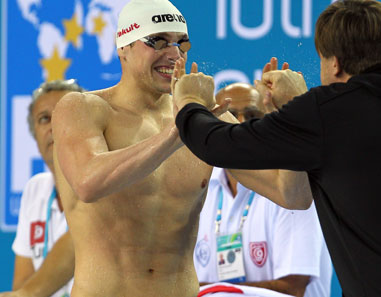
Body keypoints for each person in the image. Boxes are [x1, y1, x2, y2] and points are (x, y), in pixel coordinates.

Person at [172, 0, 381, 296]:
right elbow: (296, 195)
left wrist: (189, 102)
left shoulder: (329, 111)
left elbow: (218, 144)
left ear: (334, 63)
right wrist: (295, 107)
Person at [50, 0, 310, 296]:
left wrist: (295, 117)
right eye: (158, 41)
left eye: (181, 44)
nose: (173, 54)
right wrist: (179, 130)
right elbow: (88, 183)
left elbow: (293, 196)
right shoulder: (83, 109)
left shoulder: (205, 118)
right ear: (123, 46)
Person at [194, 83, 332, 297]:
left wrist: (213, 292)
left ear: (270, 122)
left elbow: (293, 288)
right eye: (229, 115)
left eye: (251, 116)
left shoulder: (294, 187)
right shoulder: (200, 189)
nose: (239, 125)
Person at [6, 80, 84, 297]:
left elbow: (78, 243)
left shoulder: (109, 182)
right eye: (44, 119)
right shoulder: (35, 190)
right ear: (34, 134)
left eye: (64, 114)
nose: (53, 126)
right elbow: (21, 284)